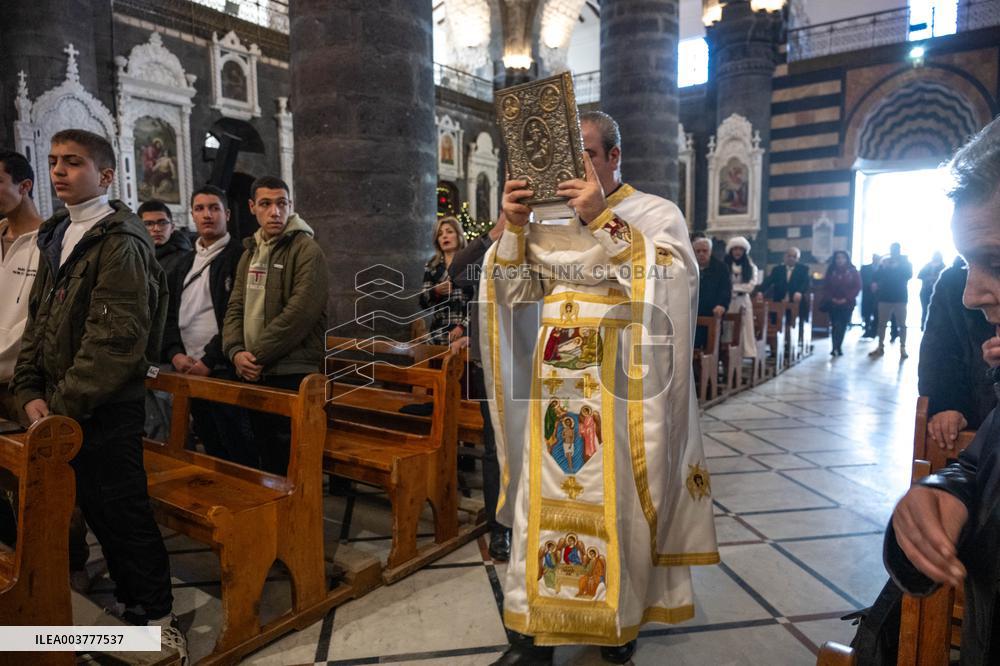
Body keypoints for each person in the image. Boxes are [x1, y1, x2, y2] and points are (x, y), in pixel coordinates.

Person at [484, 110, 717, 665]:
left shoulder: (655, 213)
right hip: (553, 384)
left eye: (585, 152)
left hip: (622, 388)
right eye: (564, 154)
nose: (573, 166)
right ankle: (531, 640)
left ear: (614, 156)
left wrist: (602, 220)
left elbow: (672, 283)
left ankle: (621, 622)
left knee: (619, 501)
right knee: (540, 499)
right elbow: (513, 295)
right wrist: (512, 230)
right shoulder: (539, 221)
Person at [10, 129, 184, 659]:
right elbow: (40, 319)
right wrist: (27, 389)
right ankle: (122, 612)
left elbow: (114, 341)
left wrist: (57, 408)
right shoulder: (59, 230)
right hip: (64, 405)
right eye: (55, 162)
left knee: (122, 513)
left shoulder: (122, 241)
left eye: (74, 163)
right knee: (92, 508)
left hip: (106, 407)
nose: (60, 171)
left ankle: (156, 618)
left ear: (105, 175)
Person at [886, 116, 1000, 664]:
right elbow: (983, 465)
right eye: (967, 263)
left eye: (995, 263)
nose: (972, 292)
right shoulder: (957, 290)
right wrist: (947, 490)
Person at [222, 176, 327, 475]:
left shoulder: (307, 250)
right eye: (266, 204)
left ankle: (299, 521)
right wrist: (235, 352)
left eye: (282, 203)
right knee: (265, 459)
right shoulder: (250, 253)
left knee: (293, 463)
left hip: (291, 372)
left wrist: (253, 356)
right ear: (252, 207)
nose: (275, 211)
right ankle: (273, 520)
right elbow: (235, 308)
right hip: (255, 371)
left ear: (291, 205)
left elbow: (300, 315)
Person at [161, 185, 254, 466]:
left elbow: (238, 316)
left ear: (226, 214)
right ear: (192, 215)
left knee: (238, 447)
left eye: (214, 208)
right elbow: (168, 313)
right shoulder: (184, 261)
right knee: (210, 444)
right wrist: (175, 353)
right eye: (200, 209)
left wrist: (210, 360)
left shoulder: (241, 256)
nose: (207, 215)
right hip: (189, 366)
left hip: (223, 367)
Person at [447, 214, 510, 561]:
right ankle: (500, 528)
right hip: (492, 361)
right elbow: (457, 272)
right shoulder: (490, 246)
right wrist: (495, 231)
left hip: (534, 363)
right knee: (495, 447)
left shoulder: (548, 236)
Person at [919, 256, 995, 447]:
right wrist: (948, 405)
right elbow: (940, 351)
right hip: (977, 424)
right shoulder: (954, 281)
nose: (970, 298)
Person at [420, 216, 475, 345]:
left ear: (459, 236)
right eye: (440, 234)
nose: (444, 236)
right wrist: (436, 291)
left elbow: (479, 301)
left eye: (449, 232)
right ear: (437, 241)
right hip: (438, 334)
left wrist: (463, 327)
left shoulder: (471, 264)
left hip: (466, 335)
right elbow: (424, 303)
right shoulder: (432, 266)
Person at [869, 242, 913, 359]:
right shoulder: (885, 261)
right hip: (885, 297)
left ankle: (903, 348)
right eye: (891, 249)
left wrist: (897, 266)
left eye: (895, 249)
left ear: (899, 250)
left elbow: (909, 275)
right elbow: (876, 276)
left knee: (902, 324)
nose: (893, 251)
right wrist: (882, 267)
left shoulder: (905, 262)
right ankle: (880, 347)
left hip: (900, 297)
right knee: (882, 324)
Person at [138, 199, 192, 281]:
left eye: (162, 223)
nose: (157, 229)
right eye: (148, 224)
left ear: (172, 227)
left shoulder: (185, 259)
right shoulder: (132, 255)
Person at [821, 251, 861, 356]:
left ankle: (839, 346)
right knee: (835, 324)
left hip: (847, 304)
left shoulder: (853, 271)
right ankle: (834, 347)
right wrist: (832, 298)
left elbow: (857, 287)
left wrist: (846, 298)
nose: (840, 260)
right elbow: (826, 287)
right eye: (838, 258)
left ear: (847, 259)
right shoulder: (831, 271)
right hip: (833, 303)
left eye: (842, 258)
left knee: (842, 325)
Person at [725, 236, 760, 360]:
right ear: (731, 250)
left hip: (743, 301)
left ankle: (745, 352)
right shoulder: (724, 265)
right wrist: (737, 287)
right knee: (728, 326)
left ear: (744, 251)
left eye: (740, 249)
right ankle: (727, 352)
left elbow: (750, 287)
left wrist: (732, 287)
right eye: (735, 249)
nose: (738, 252)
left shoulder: (751, 267)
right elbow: (722, 283)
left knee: (744, 326)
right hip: (728, 301)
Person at [693, 237, 731, 348]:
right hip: (693, 313)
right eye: (698, 251)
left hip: (713, 313)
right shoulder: (688, 268)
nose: (701, 254)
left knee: (711, 346)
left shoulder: (721, 268)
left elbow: (725, 289)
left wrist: (722, 305)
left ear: (710, 251)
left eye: (705, 251)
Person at [918, 251, 946, 331]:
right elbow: (919, 275)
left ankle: (935, 328)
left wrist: (935, 278)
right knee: (924, 309)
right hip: (926, 291)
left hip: (938, 292)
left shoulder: (943, 266)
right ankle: (923, 327)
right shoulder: (927, 266)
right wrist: (929, 278)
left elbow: (945, 279)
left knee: (937, 310)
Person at [860, 254, 880, 338]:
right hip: (867, 294)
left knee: (877, 313)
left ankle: (875, 331)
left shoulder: (882, 268)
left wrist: (877, 286)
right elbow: (861, 279)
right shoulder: (865, 268)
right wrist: (870, 285)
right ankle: (867, 330)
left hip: (878, 295)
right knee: (867, 314)